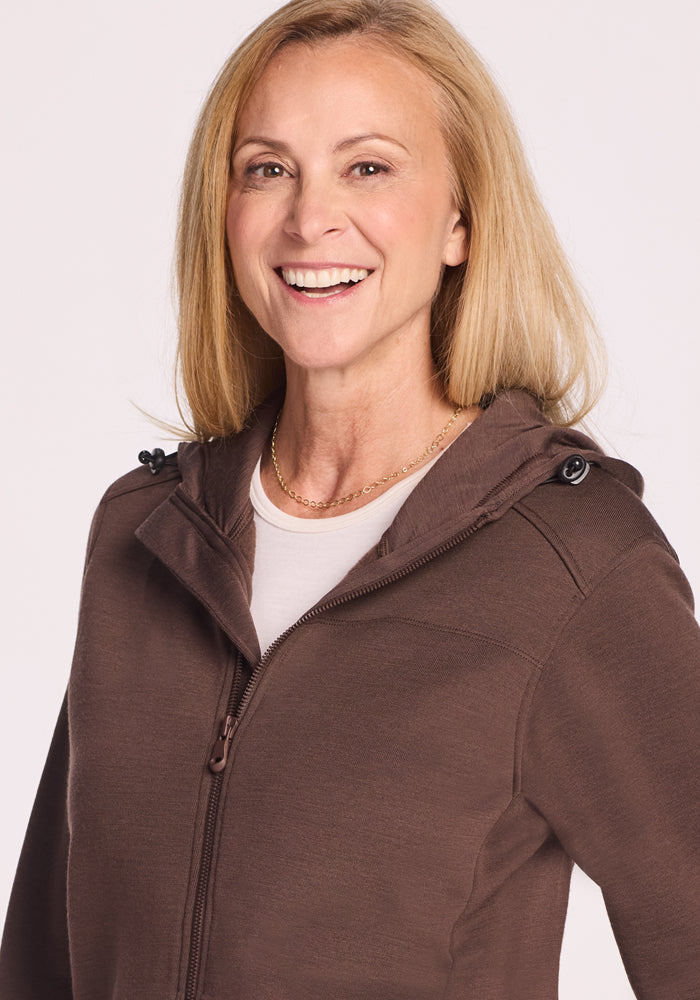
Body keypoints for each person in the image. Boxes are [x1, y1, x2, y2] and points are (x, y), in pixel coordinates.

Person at [1, 0, 698, 996]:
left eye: (366, 166)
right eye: (266, 168)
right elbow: (41, 961)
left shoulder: (573, 564)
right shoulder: (143, 538)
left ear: (461, 219)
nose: (306, 218)